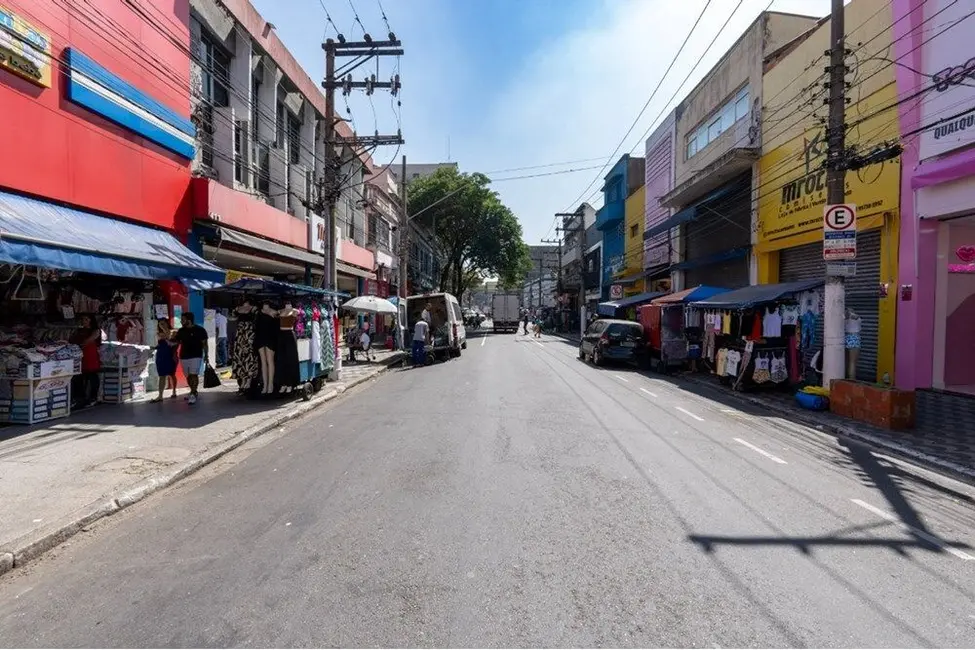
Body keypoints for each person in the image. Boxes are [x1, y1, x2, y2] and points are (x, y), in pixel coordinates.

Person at [174, 312, 208, 405]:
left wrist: (206, 356)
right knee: (188, 376)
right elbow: (176, 342)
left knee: (194, 375)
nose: (181, 321)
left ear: (188, 320)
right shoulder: (181, 331)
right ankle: (193, 391)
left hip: (196, 355)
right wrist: (174, 353)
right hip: (184, 356)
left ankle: (193, 393)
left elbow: (204, 344)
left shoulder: (200, 330)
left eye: (183, 319)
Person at [70, 315, 102, 409]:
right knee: (78, 377)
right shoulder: (79, 330)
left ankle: (93, 398)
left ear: (91, 320)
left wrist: (80, 345)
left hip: (90, 355)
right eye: (83, 319)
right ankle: (80, 398)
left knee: (92, 376)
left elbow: (89, 340)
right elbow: (72, 339)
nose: (84, 321)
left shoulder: (96, 330)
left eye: (86, 319)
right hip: (80, 355)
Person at [151, 320, 178, 402]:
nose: (162, 325)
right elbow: (162, 341)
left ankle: (174, 391)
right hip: (161, 355)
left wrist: (164, 328)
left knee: (172, 374)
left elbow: (170, 338)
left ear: (167, 323)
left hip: (170, 355)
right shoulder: (158, 333)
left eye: (164, 323)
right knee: (161, 375)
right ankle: (160, 395)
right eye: (160, 324)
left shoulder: (174, 331)